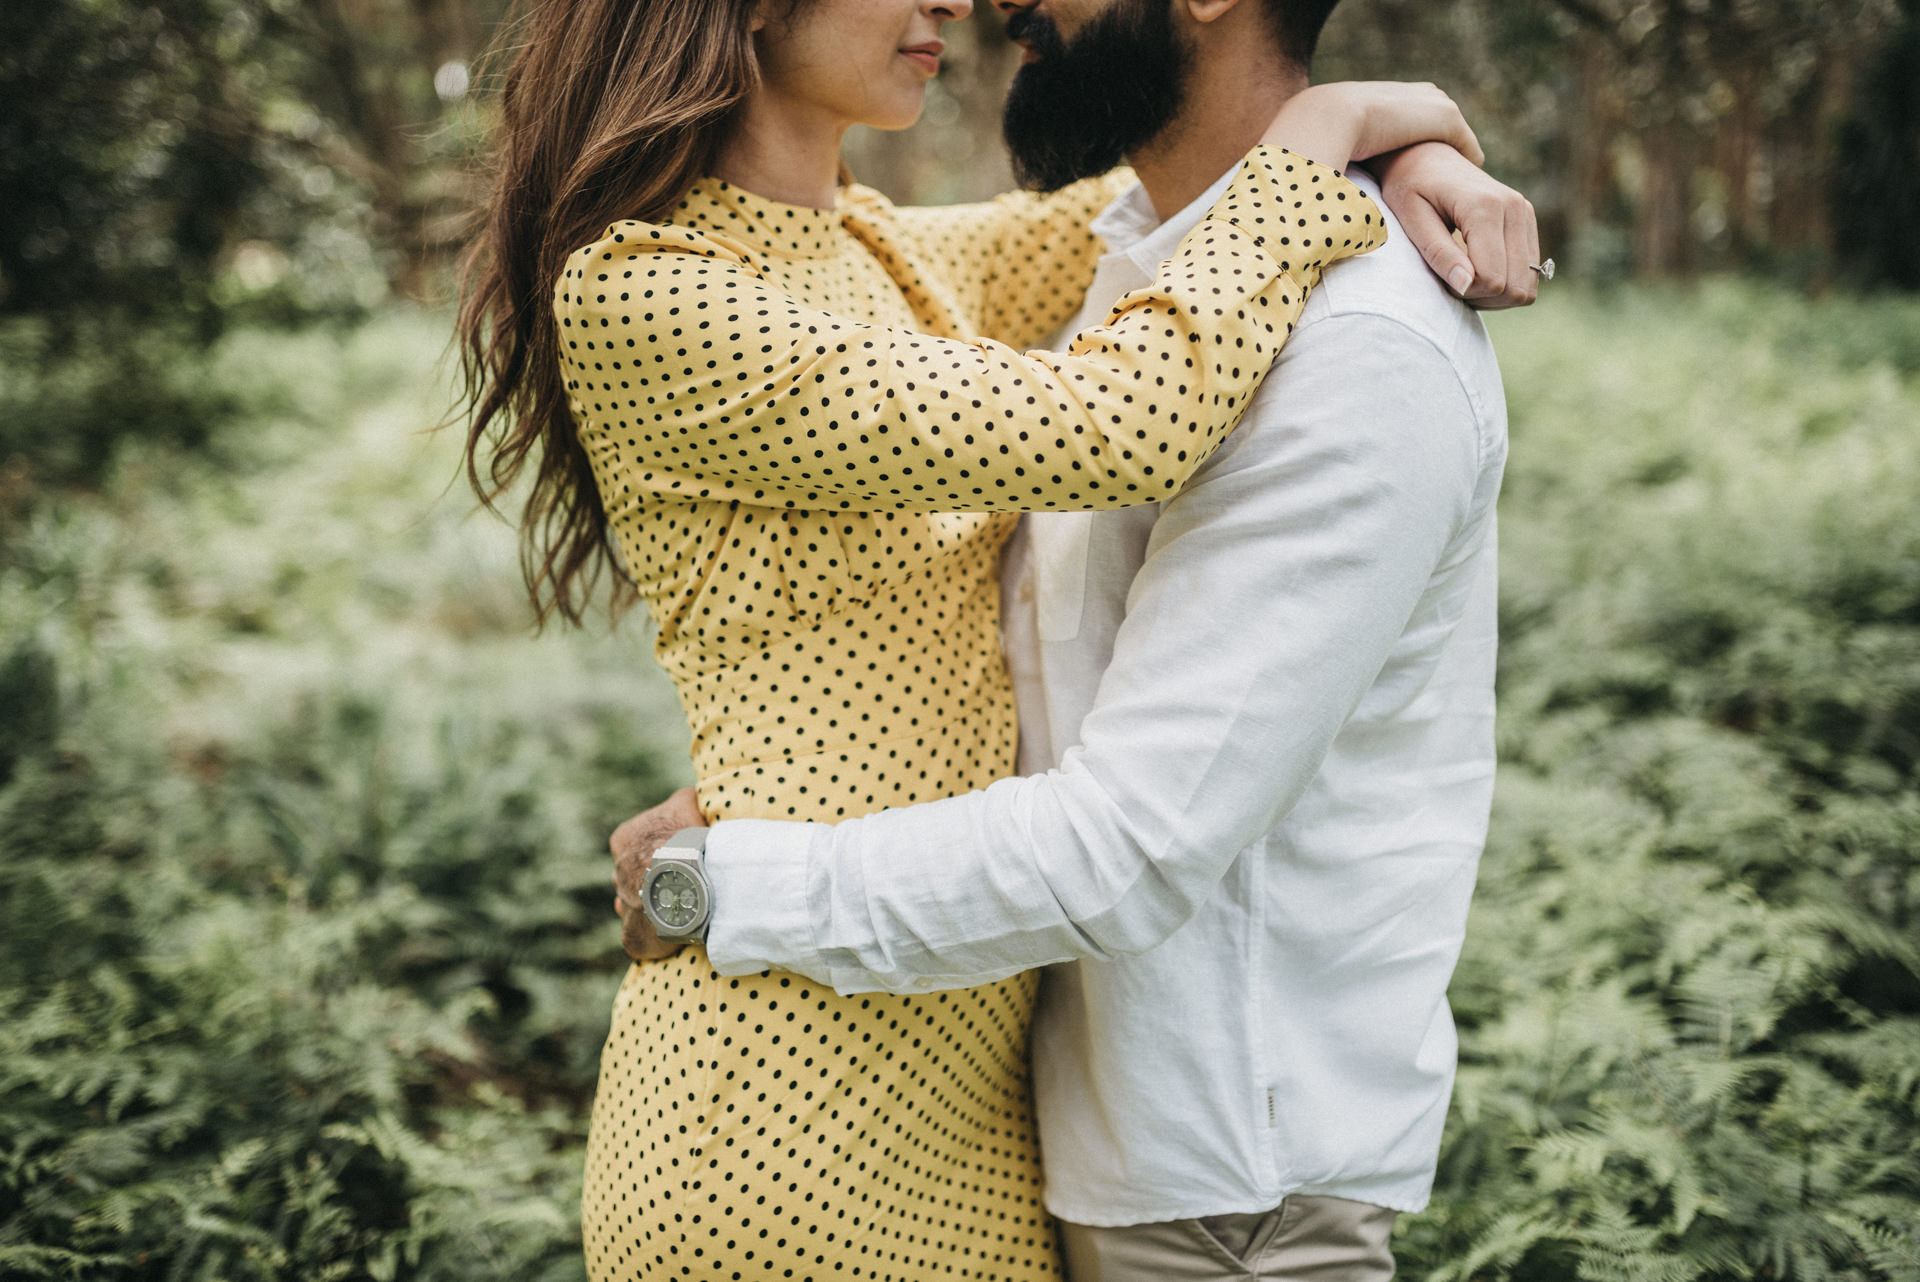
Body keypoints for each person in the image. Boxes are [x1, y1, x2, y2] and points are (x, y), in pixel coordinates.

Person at [457, 0, 1534, 1278]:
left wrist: (1398, 145)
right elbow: (1128, 413)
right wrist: (1344, 122)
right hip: (776, 1114)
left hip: (977, 1117)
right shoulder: (650, 290)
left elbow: (1183, 194)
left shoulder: (880, 247)